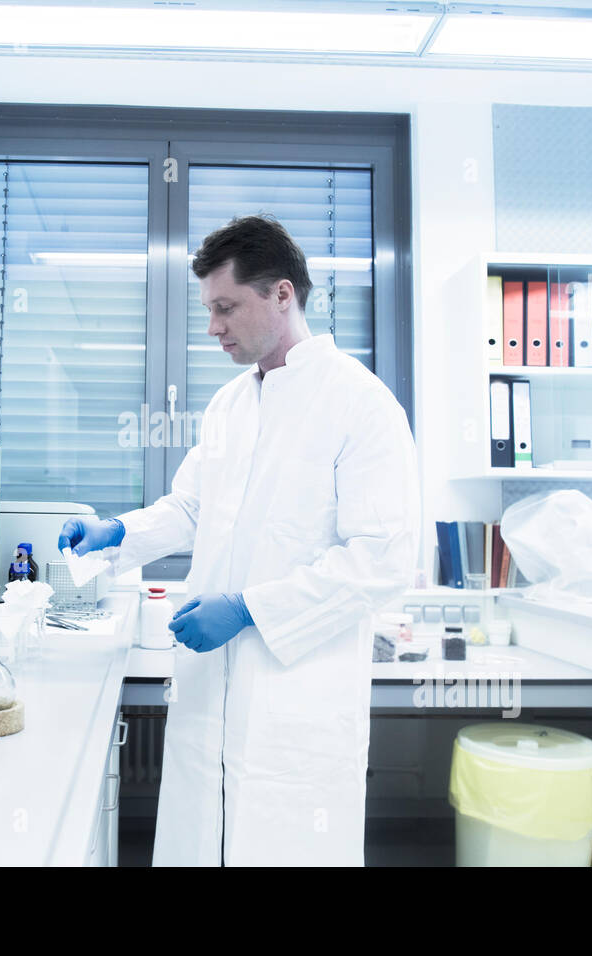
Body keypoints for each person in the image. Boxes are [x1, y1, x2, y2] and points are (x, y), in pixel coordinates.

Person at [59, 215, 421, 866]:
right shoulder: (229, 405)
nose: (212, 327)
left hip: (295, 704)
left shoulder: (361, 405)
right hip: (208, 703)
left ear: (282, 295)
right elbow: (193, 506)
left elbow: (383, 560)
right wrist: (117, 531)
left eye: (225, 308)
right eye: (209, 309)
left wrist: (252, 609)